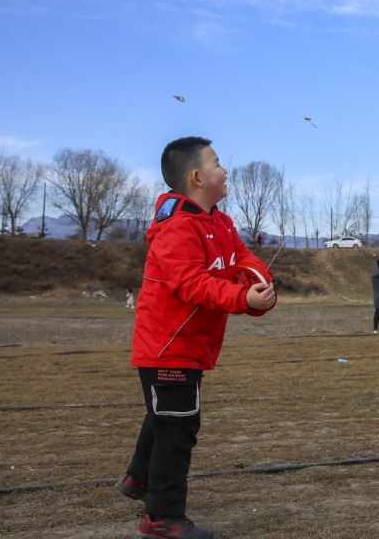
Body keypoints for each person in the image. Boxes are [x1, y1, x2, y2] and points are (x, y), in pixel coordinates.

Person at [117, 136, 277, 539]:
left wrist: (258, 279)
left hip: (191, 347)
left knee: (166, 417)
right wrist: (243, 298)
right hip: (168, 347)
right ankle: (162, 518)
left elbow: (242, 256)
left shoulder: (219, 221)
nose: (225, 170)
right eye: (218, 163)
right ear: (196, 177)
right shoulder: (177, 228)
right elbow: (191, 284)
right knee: (178, 428)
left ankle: (139, 479)